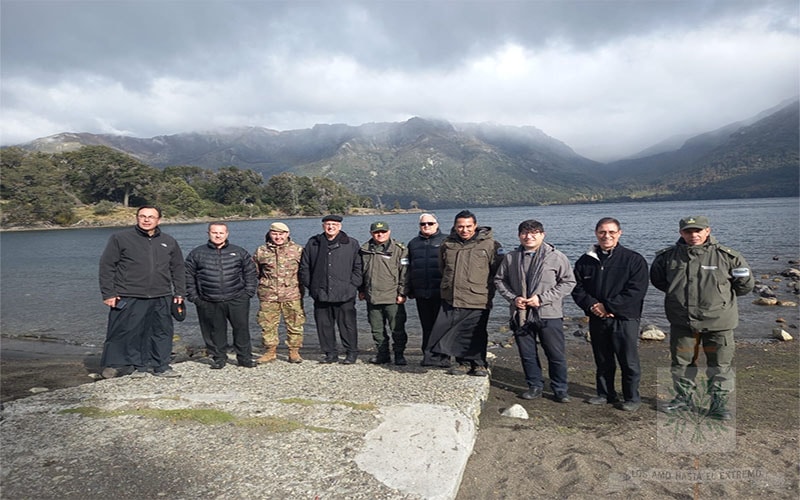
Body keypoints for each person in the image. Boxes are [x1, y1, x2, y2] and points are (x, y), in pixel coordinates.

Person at [650, 215, 753, 420]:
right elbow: (659, 281)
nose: (693, 235)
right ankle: (683, 399)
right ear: (681, 233)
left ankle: (719, 404)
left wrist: (721, 301)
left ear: (708, 231)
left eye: (698, 231)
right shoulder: (667, 257)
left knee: (720, 365)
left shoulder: (728, 256)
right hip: (683, 322)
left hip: (719, 322)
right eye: (688, 231)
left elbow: (745, 285)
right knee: (681, 363)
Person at [98, 206, 186, 379]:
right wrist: (108, 293)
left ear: (158, 220)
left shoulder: (169, 241)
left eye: (151, 217)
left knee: (162, 332)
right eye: (143, 216)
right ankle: (139, 367)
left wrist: (180, 293)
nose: (146, 220)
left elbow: (178, 268)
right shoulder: (120, 238)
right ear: (137, 218)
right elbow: (107, 266)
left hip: (161, 295)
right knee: (130, 331)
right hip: (130, 294)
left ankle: (161, 366)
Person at [572, 217, 649, 412]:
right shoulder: (585, 260)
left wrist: (610, 307)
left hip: (625, 318)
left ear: (619, 233)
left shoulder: (633, 259)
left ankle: (632, 397)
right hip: (597, 318)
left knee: (628, 360)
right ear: (596, 233)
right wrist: (593, 306)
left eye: (611, 232)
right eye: (602, 232)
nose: (607, 236)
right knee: (603, 359)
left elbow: (636, 290)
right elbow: (577, 288)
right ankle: (605, 394)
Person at [495, 219, 576, 402]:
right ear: (519, 235)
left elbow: (569, 282)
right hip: (521, 315)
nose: (529, 236)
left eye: (534, 233)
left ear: (542, 235)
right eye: (524, 232)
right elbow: (499, 280)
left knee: (555, 354)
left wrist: (541, 299)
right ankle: (534, 386)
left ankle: (560, 388)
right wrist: (513, 298)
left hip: (549, 314)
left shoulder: (556, 257)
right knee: (528, 354)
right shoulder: (511, 257)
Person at [427, 210, 501, 376]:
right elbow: (443, 267)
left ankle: (479, 363)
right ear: (455, 226)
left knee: (477, 331)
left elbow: (497, 272)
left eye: (468, 226)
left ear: (475, 225)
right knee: (457, 331)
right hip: (453, 296)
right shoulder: (447, 244)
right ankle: (463, 363)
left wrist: (489, 293)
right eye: (460, 226)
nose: (464, 230)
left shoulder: (490, 245)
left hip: (478, 296)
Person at [185, 222, 258, 369]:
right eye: (214, 232)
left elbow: (250, 272)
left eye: (221, 233)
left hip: (237, 298)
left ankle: (244, 358)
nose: (218, 235)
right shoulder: (197, 253)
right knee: (215, 331)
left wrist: (248, 292)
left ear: (227, 234)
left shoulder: (239, 252)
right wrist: (194, 297)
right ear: (209, 234)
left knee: (241, 329)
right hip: (209, 299)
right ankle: (219, 358)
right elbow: (188, 276)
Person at [299, 214, 362, 364]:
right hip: (321, 293)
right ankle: (330, 353)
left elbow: (358, 267)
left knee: (347, 325)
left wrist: (353, 285)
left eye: (334, 224)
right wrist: (312, 286)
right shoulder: (314, 243)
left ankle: (351, 353)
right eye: (327, 224)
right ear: (323, 226)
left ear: (340, 226)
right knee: (324, 326)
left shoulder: (351, 243)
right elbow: (304, 267)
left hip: (345, 293)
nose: (330, 227)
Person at [253, 222, 306, 363]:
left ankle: (294, 352)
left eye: (281, 234)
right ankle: (270, 352)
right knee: (267, 325)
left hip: (292, 294)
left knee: (295, 324)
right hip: (268, 295)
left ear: (287, 234)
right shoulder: (261, 251)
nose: (278, 237)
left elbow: (304, 272)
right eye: (275, 234)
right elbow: (256, 272)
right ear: (270, 234)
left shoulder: (298, 250)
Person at [359, 221, 410, 365]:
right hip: (372, 297)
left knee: (397, 329)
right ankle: (383, 354)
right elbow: (360, 272)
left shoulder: (399, 249)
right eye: (376, 232)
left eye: (383, 232)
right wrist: (361, 290)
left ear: (389, 232)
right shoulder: (364, 249)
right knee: (377, 330)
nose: (380, 234)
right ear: (371, 233)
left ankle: (399, 355)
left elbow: (405, 273)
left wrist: (402, 293)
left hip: (393, 297)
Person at [407, 213, 446, 365]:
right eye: (423, 224)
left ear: (437, 224)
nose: (426, 226)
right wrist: (409, 289)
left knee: (442, 326)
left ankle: (443, 357)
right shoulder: (413, 243)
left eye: (430, 223)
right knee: (426, 326)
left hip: (441, 293)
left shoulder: (446, 241)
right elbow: (409, 268)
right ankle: (428, 356)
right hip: (422, 293)